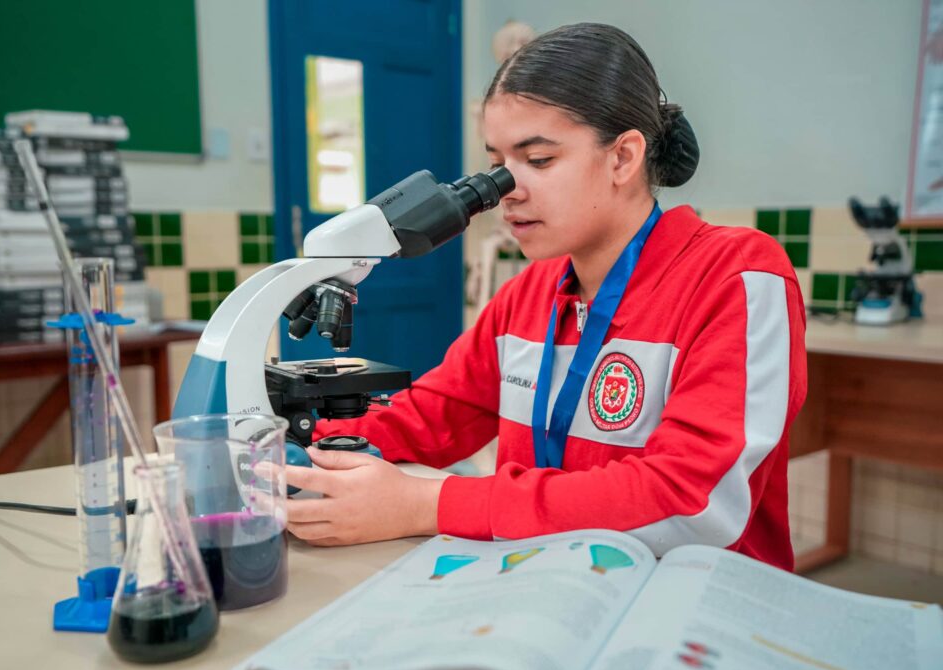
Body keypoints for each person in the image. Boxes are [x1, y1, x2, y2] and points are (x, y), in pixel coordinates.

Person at [282, 23, 807, 571]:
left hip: (686, 600)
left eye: (538, 160)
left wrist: (426, 505)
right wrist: (291, 441)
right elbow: (431, 417)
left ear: (623, 158)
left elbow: (696, 504)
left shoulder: (735, 276)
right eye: (497, 166)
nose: (507, 192)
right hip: (548, 584)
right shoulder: (528, 295)